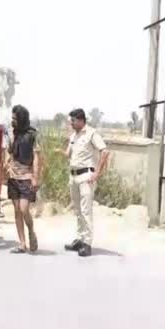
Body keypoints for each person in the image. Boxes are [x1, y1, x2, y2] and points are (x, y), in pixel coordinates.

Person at [64, 108, 110, 257]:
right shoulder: (74, 136)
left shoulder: (91, 133)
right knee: (77, 210)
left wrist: (97, 173)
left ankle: (87, 243)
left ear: (81, 120)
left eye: (73, 121)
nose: (71, 123)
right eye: (70, 121)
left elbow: (104, 151)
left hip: (86, 176)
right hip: (74, 176)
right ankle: (80, 238)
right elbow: (68, 154)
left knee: (85, 211)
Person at [6, 105, 41, 254]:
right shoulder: (12, 134)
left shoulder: (32, 135)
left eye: (15, 118)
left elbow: (37, 157)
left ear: (21, 119)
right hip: (13, 176)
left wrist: (35, 177)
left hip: (26, 177)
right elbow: (9, 152)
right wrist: (7, 164)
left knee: (24, 209)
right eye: (12, 118)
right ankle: (22, 244)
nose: (12, 120)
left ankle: (31, 232)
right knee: (16, 211)